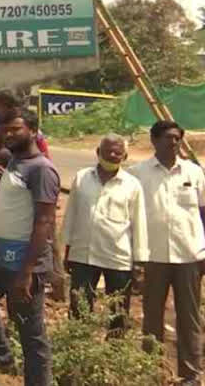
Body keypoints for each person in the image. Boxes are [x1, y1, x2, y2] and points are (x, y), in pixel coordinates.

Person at [129, 120, 205, 384]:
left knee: (189, 318)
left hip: (189, 256)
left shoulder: (193, 172)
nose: (174, 142)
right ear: (154, 141)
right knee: (152, 317)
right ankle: (154, 371)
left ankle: (191, 375)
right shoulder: (137, 174)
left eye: (177, 138)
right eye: (168, 138)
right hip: (152, 257)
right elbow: (129, 217)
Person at [0, 109, 58, 386]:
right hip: (1, 257)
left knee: (31, 333)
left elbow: (44, 222)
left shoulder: (41, 169)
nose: (9, 134)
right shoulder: (15, 160)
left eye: (16, 129)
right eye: (5, 129)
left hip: (25, 265)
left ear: (34, 131)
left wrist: (27, 272)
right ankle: (1, 356)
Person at [61, 134, 148, 331]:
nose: (112, 155)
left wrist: (139, 263)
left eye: (118, 152)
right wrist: (66, 249)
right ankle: (77, 349)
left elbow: (139, 224)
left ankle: (114, 353)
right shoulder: (82, 177)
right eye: (107, 151)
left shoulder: (132, 185)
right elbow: (71, 215)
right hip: (83, 254)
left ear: (124, 157)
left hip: (118, 257)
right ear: (98, 152)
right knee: (79, 308)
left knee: (118, 312)